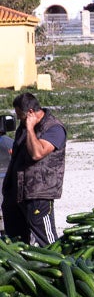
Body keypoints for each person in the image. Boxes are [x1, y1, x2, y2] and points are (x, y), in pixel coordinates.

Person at [1, 93, 67, 246]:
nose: (19, 120)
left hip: (38, 194)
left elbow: (37, 153)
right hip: (18, 193)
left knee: (48, 242)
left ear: (30, 112)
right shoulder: (23, 127)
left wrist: (30, 128)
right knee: (17, 243)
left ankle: (61, 267)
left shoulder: (54, 128)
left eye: (21, 116)